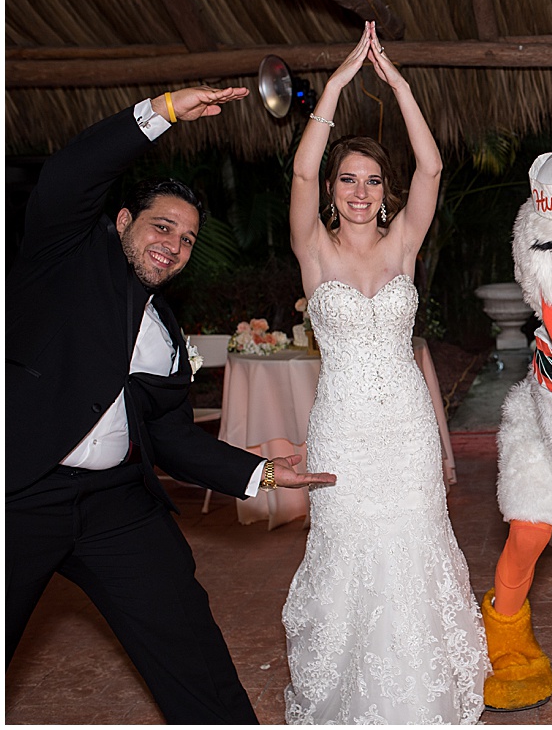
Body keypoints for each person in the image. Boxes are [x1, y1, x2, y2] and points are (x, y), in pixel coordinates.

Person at [5, 86, 336, 723]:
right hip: (18, 494)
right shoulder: (63, 257)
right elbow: (71, 172)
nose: (174, 247)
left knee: (191, 648)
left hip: (116, 506)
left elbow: (173, 438)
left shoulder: (162, 331)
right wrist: (161, 113)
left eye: (186, 240)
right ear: (124, 221)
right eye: (163, 227)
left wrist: (261, 473)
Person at [282, 21, 488, 723]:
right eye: (349, 180)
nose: (360, 192)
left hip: (403, 431)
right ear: (333, 190)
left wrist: (397, 84)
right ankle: (348, 700)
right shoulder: (313, 251)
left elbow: (431, 169)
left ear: (385, 191)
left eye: (372, 181)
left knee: (414, 548)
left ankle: (418, 700)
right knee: (348, 552)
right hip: (343, 427)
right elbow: (302, 170)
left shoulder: (403, 244)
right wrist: (338, 83)